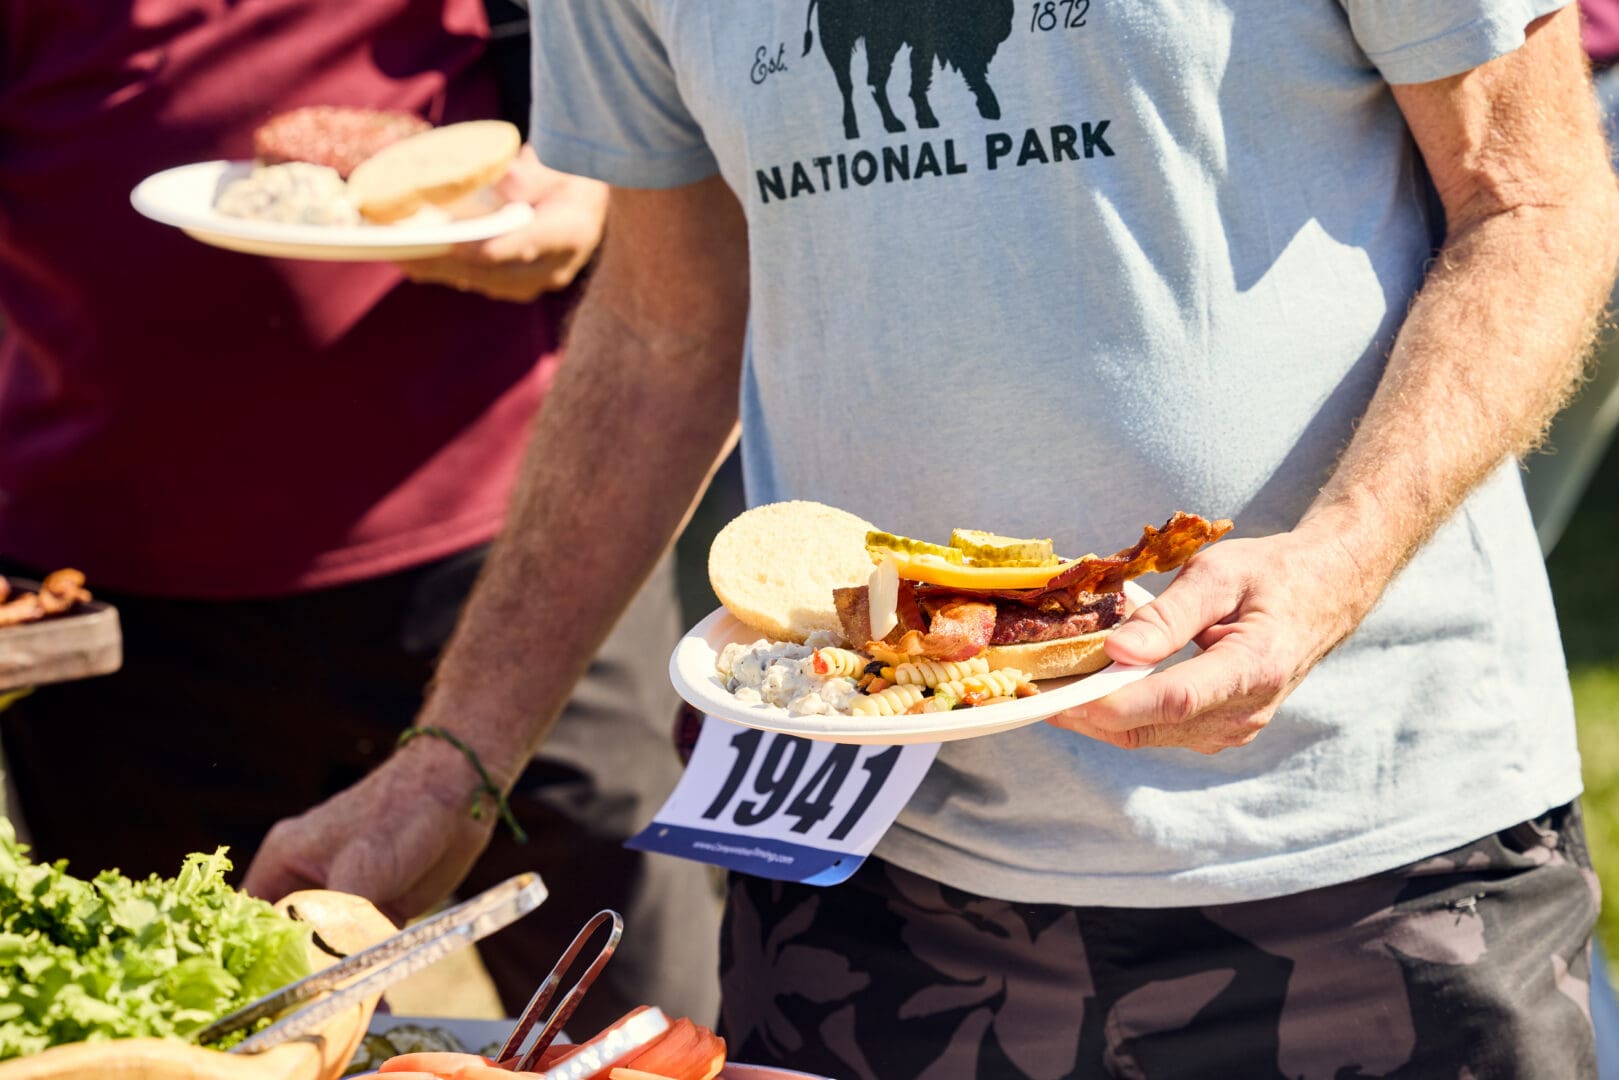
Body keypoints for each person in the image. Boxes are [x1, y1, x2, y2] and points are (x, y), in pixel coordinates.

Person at [243, 1, 1619, 1075]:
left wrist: (1330, 565)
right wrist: (453, 761)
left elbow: (1535, 200)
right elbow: (662, 324)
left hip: (1352, 852)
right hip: (869, 891)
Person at [0, 0, 719, 1033]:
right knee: (175, 1034)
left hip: (523, 568)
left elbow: (633, 168)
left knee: (645, 1022)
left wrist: (594, 191)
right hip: (127, 617)